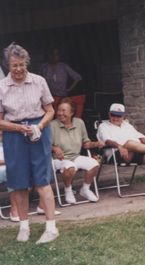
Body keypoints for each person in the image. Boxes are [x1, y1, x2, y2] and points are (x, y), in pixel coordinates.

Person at [0, 43, 59, 244]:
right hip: (13, 133)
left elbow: (50, 110)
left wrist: (39, 126)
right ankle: (24, 227)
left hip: (38, 130)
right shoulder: (1, 86)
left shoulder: (39, 81)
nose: (18, 70)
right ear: (8, 65)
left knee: (42, 179)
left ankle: (51, 228)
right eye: (14, 65)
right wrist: (18, 129)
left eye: (22, 65)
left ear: (27, 63)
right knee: (18, 182)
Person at [97, 103, 145, 199]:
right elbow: (107, 141)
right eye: (113, 115)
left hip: (133, 152)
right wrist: (120, 146)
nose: (116, 118)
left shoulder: (127, 125)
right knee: (130, 142)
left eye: (119, 116)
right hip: (115, 153)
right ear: (109, 114)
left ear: (123, 116)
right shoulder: (103, 126)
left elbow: (142, 139)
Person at [51, 97, 104, 204]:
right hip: (59, 159)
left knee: (94, 164)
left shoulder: (79, 123)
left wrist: (96, 143)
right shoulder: (52, 125)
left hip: (75, 156)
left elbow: (86, 143)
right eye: (59, 110)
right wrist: (54, 148)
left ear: (72, 113)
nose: (60, 113)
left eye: (64, 111)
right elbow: (43, 145)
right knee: (70, 167)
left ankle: (85, 189)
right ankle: (68, 190)